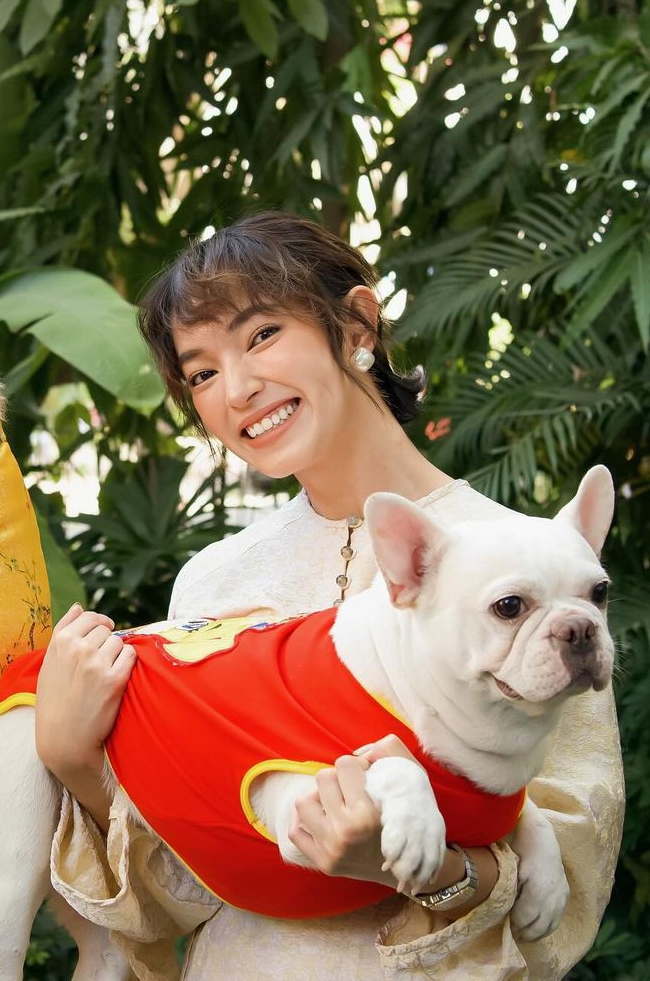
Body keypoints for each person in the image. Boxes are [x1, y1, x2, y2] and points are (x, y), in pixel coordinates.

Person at [33, 212, 623, 979]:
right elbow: (184, 893)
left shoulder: (540, 570)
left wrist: (419, 866)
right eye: (202, 373)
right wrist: (73, 758)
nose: (238, 389)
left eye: (261, 335)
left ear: (357, 326)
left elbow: (563, 901)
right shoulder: (215, 580)